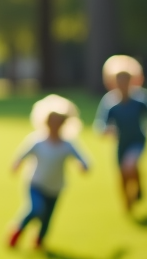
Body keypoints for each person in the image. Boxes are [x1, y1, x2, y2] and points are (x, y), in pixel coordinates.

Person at [8, 94, 89, 250]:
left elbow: (84, 159)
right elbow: (21, 155)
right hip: (36, 183)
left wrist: (83, 166)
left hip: (56, 187)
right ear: (45, 121)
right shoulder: (38, 141)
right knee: (36, 209)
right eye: (52, 121)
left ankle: (39, 242)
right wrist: (17, 164)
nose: (55, 125)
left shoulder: (67, 144)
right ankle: (17, 231)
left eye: (59, 122)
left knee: (47, 218)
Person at [94, 55, 147, 211]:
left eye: (125, 80)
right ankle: (128, 202)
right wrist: (105, 130)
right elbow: (101, 122)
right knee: (122, 173)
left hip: (138, 139)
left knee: (129, 165)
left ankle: (138, 188)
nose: (122, 84)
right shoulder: (110, 102)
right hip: (122, 142)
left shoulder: (141, 99)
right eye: (119, 80)